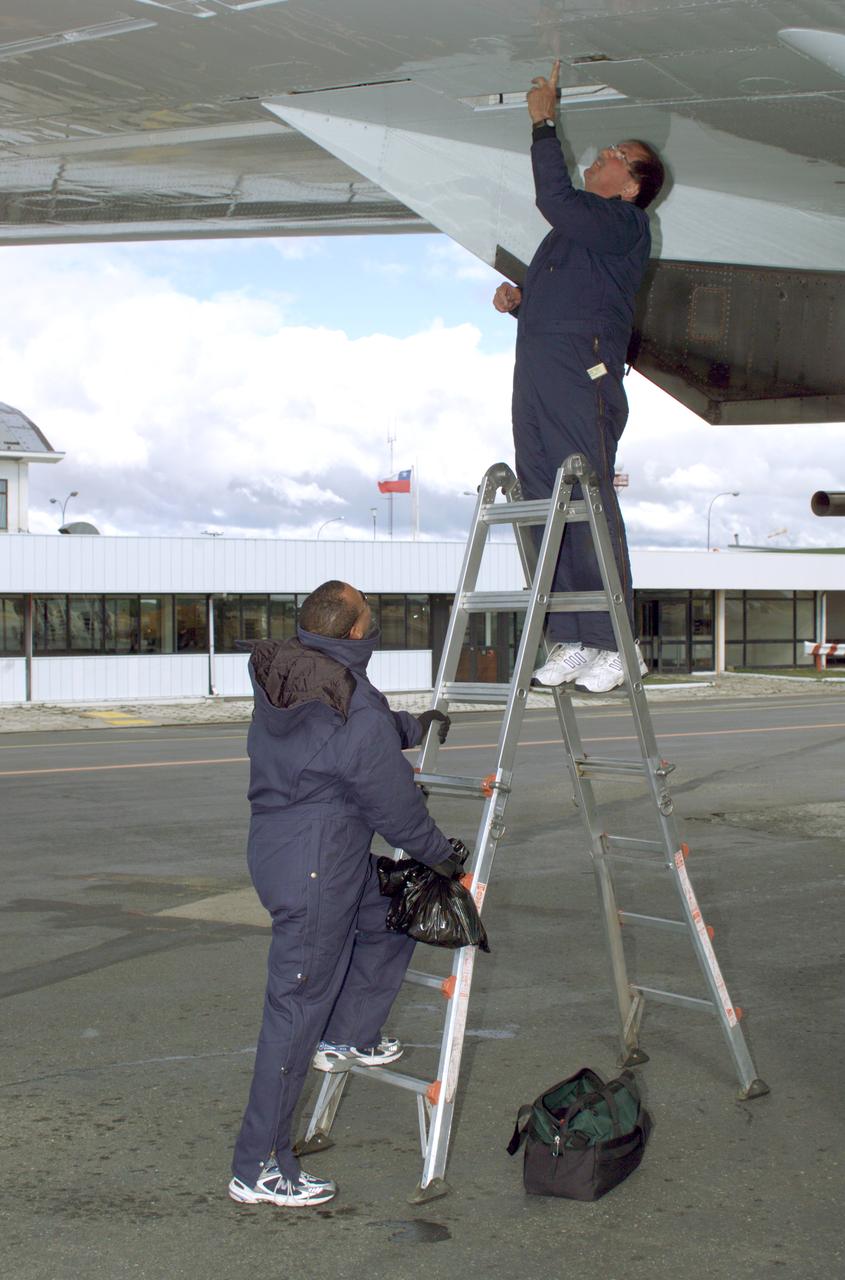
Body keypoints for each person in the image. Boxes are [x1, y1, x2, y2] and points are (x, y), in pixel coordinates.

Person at [229, 580, 457, 1208]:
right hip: (316, 867)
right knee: (294, 1011)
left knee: (387, 910)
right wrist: (443, 858)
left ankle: (350, 1033)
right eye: (370, 616)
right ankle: (257, 1168)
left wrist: (411, 727)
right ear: (356, 631)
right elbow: (395, 804)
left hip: (296, 849)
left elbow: (358, 732)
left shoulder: (294, 669)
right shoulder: (350, 701)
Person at [493, 61, 665, 693]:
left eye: (617, 155)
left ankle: (616, 643)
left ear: (631, 187)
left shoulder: (623, 223)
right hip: (539, 370)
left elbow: (554, 197)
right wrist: (522, 300)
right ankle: (571, 637)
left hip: (578, 374)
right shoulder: (571, 239)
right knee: (546, 505)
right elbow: (571, 298)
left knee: (586, 497)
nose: (603, 156)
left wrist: (544, 123)